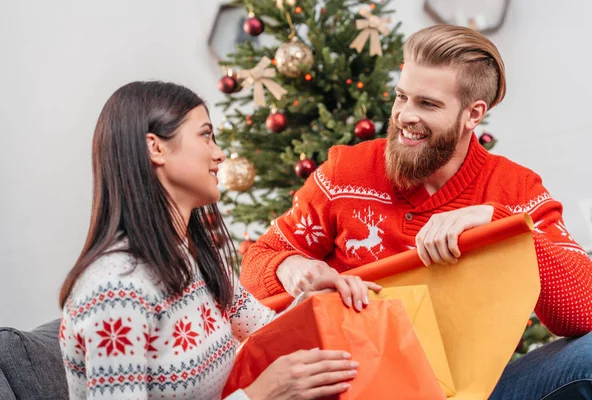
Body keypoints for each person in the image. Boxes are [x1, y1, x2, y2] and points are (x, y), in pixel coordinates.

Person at [240, 25, 592, 399]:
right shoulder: (345, 172)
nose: (404, 116)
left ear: (472, 114)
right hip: (362, 388)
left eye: (427, 104)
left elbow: (590, 312)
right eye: (401, 97)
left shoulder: (515, 188)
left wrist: (500, 222)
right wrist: (290, 266)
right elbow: (254, 266)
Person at [58, 81, 381, 400]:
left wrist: (315, 296)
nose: (220, 154)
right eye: (205, 135)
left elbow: (266, 328)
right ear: (155, 148)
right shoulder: (115, 290)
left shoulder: (192, 257)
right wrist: (259, 397)